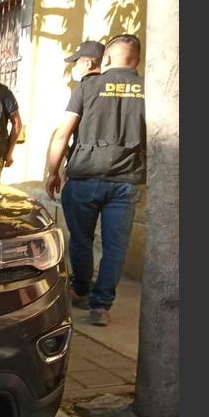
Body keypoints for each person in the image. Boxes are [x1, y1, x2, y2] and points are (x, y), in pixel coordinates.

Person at [44, 34, 146, 327]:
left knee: (82, 239)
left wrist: (52, 170)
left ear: (108, 59)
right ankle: (101, 307)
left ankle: (81, 290)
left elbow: (63, 133)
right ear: (136, 60)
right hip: (126, 181)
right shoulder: (147, 90)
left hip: (85, 176)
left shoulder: (88, 86)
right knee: (115, 247)